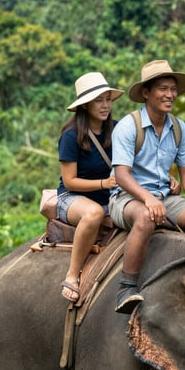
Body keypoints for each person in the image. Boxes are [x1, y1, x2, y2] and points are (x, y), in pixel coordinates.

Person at [109, 59, 185, 313]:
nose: (170, 95)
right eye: (163, 88)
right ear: (146, 93)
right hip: (127, 197)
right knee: (145, 218)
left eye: (173, 89)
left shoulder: (178, 128)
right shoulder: (128, 126)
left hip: (165, 197)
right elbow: (121, 175)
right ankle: (126, 287)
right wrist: (147, 199)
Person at [58, 72, 124, 302]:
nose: (105, 105)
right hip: (74, 198)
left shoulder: (117, 129)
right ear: (85, 105)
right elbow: (70, 181)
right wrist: (103, 183)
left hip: (111, 198)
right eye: (99, 100)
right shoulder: (71, 136)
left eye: (108, 99)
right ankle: (72, 274)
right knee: (93, 214)